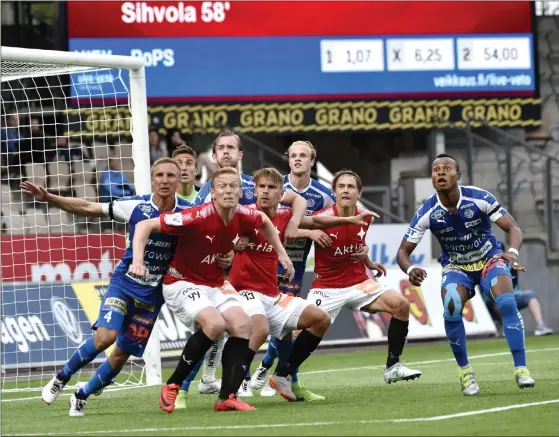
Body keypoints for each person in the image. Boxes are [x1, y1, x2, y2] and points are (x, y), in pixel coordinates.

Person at [20, 158, 210, 417]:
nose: (165, 180)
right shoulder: (135, 206)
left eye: (170, 176)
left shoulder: (187, 212)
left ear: (179, 181)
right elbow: (87, 206)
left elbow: (211, 237)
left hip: (153, 295)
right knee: (105, 337)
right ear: (152, 179)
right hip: (124, 284)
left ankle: (82, 394)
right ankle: (60, 378)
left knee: (121, 355)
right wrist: (49, 197)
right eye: (159, 175)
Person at [130, 166, 295, 413]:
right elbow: (144, 226)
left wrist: (283, 254)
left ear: (241, 191)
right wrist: (138, 261)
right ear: (214, 193)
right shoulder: (196, 216)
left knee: (243, 326)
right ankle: (173, 384)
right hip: (181, 282)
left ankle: (227, 396)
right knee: (216, 325)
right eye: (222, 186)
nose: (228, 190)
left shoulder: (245, 214)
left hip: (215, 284)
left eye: (233, 186)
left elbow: (265, 223)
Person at [228, 167, 376, 402]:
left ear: (281, 194)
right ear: (254, 191)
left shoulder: (285, 216)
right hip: (242, 290)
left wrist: (349, 219)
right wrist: (232, 245)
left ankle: (284, 377)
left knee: (319, 319)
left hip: (272, 293)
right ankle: (231, 388)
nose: (265, 192)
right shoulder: (243, 215)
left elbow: (317, 220)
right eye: (261, 187)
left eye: (272, 188)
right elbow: (218, 237)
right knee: (260, 329)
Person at [396, 154, 535, 396]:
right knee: (450, 307)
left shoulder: (478, 197)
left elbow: (513, 228)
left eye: (446, 168)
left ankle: (521, 369)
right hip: (457, 267)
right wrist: (410, 269)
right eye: (436, 169)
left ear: (457, 176)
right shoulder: (427, 211)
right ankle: (465, 373)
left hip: (489, 259)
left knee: (506, 302)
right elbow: (402, 252)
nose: (440, 173)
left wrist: (511, 253)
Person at [288, 170, 421, 394]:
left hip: (358, 282)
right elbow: (290, 229)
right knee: (295, 332)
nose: (346, 190)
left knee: (401, 305)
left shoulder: (366, 217)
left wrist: (368, 260)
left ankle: (393, 366)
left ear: (359, 193)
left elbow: (357, 241)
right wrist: (309, 234)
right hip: (326, 287)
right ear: (335, 191)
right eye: (341, 186)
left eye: (351, 187)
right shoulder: (322, 218)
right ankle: (278, 374)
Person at [484, 267, 553, 337]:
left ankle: (540, 326)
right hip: (491, 301)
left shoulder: (510, 265)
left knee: (531, 295)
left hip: (512, 295)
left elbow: (513, 285)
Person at [194, 131, 254, 206]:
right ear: (214, 157)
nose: (225, 151)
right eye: (221, 148)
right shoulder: (204, 195)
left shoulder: (256, 186)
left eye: (230, 147)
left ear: (240, 155)